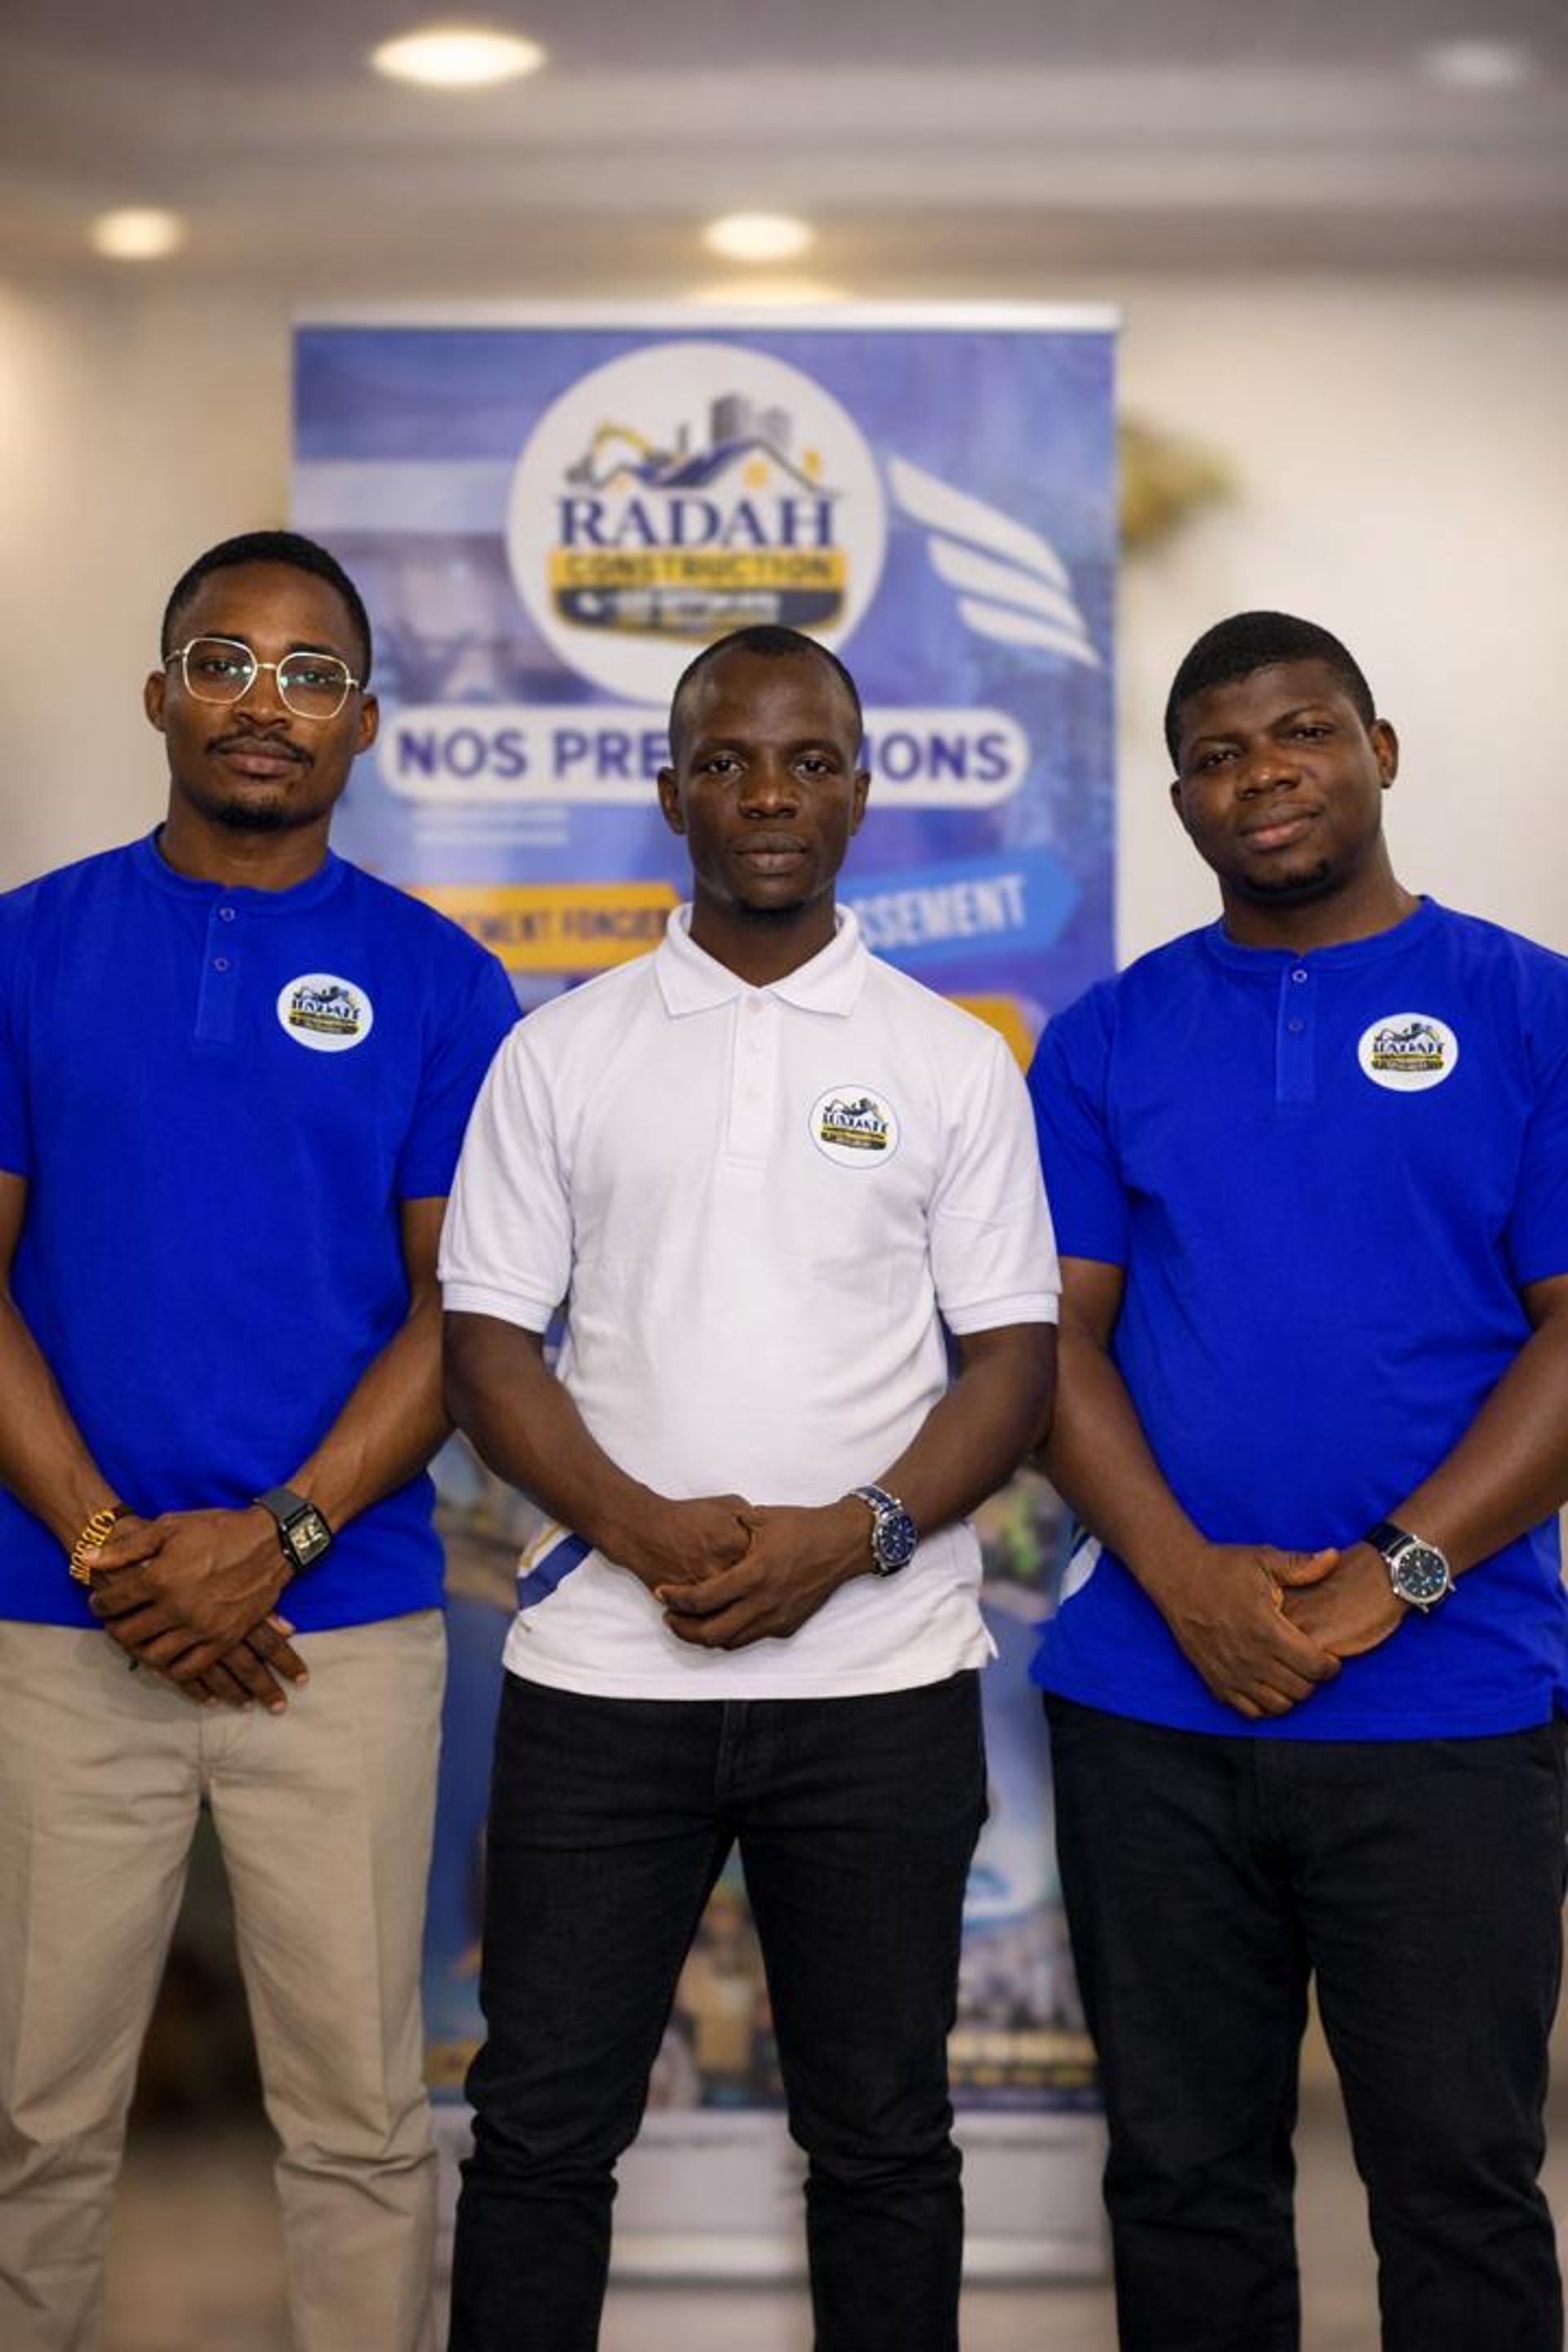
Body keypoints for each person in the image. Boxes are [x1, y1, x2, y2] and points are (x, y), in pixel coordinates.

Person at [438, 622, 1059, 2352]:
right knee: (540, 2135)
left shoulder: (951, 1060)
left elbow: (1014, 1366)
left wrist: (849, 1541)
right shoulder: (562, 1051)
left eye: (806, 762)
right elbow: (485, 1347)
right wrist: (636, 1532)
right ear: (671, 796)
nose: (769, 795)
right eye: (726, 762)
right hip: (601, 1684)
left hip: (879, 1685)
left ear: (859, 792)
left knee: (882, 2143)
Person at [0, 530, 519, 2352]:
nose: (265, 704)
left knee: (361, 2122)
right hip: (61, 1626)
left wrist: (274, 1539)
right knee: (35, 2123)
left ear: (364, 723)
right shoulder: (26, 947)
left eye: (312, 676)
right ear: (161, 694)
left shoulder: (442, 983)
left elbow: (464, 1316)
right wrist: (111, 1551)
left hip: (340, 1631)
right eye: (226, 662)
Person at [1027, 609, 1568, 2352]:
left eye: (1303, 732)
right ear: (1181, 798)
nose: (1262, 774)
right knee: (1184, 2188)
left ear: (1381, 750)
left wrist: (1391, 1579)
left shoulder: (1531, 1008)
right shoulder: (1106, 1038)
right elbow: (1049, 1342)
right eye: (1217, 753)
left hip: (1454, 1709)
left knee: (1461, 2190)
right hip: (1153, 1707)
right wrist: (1191, 1585)